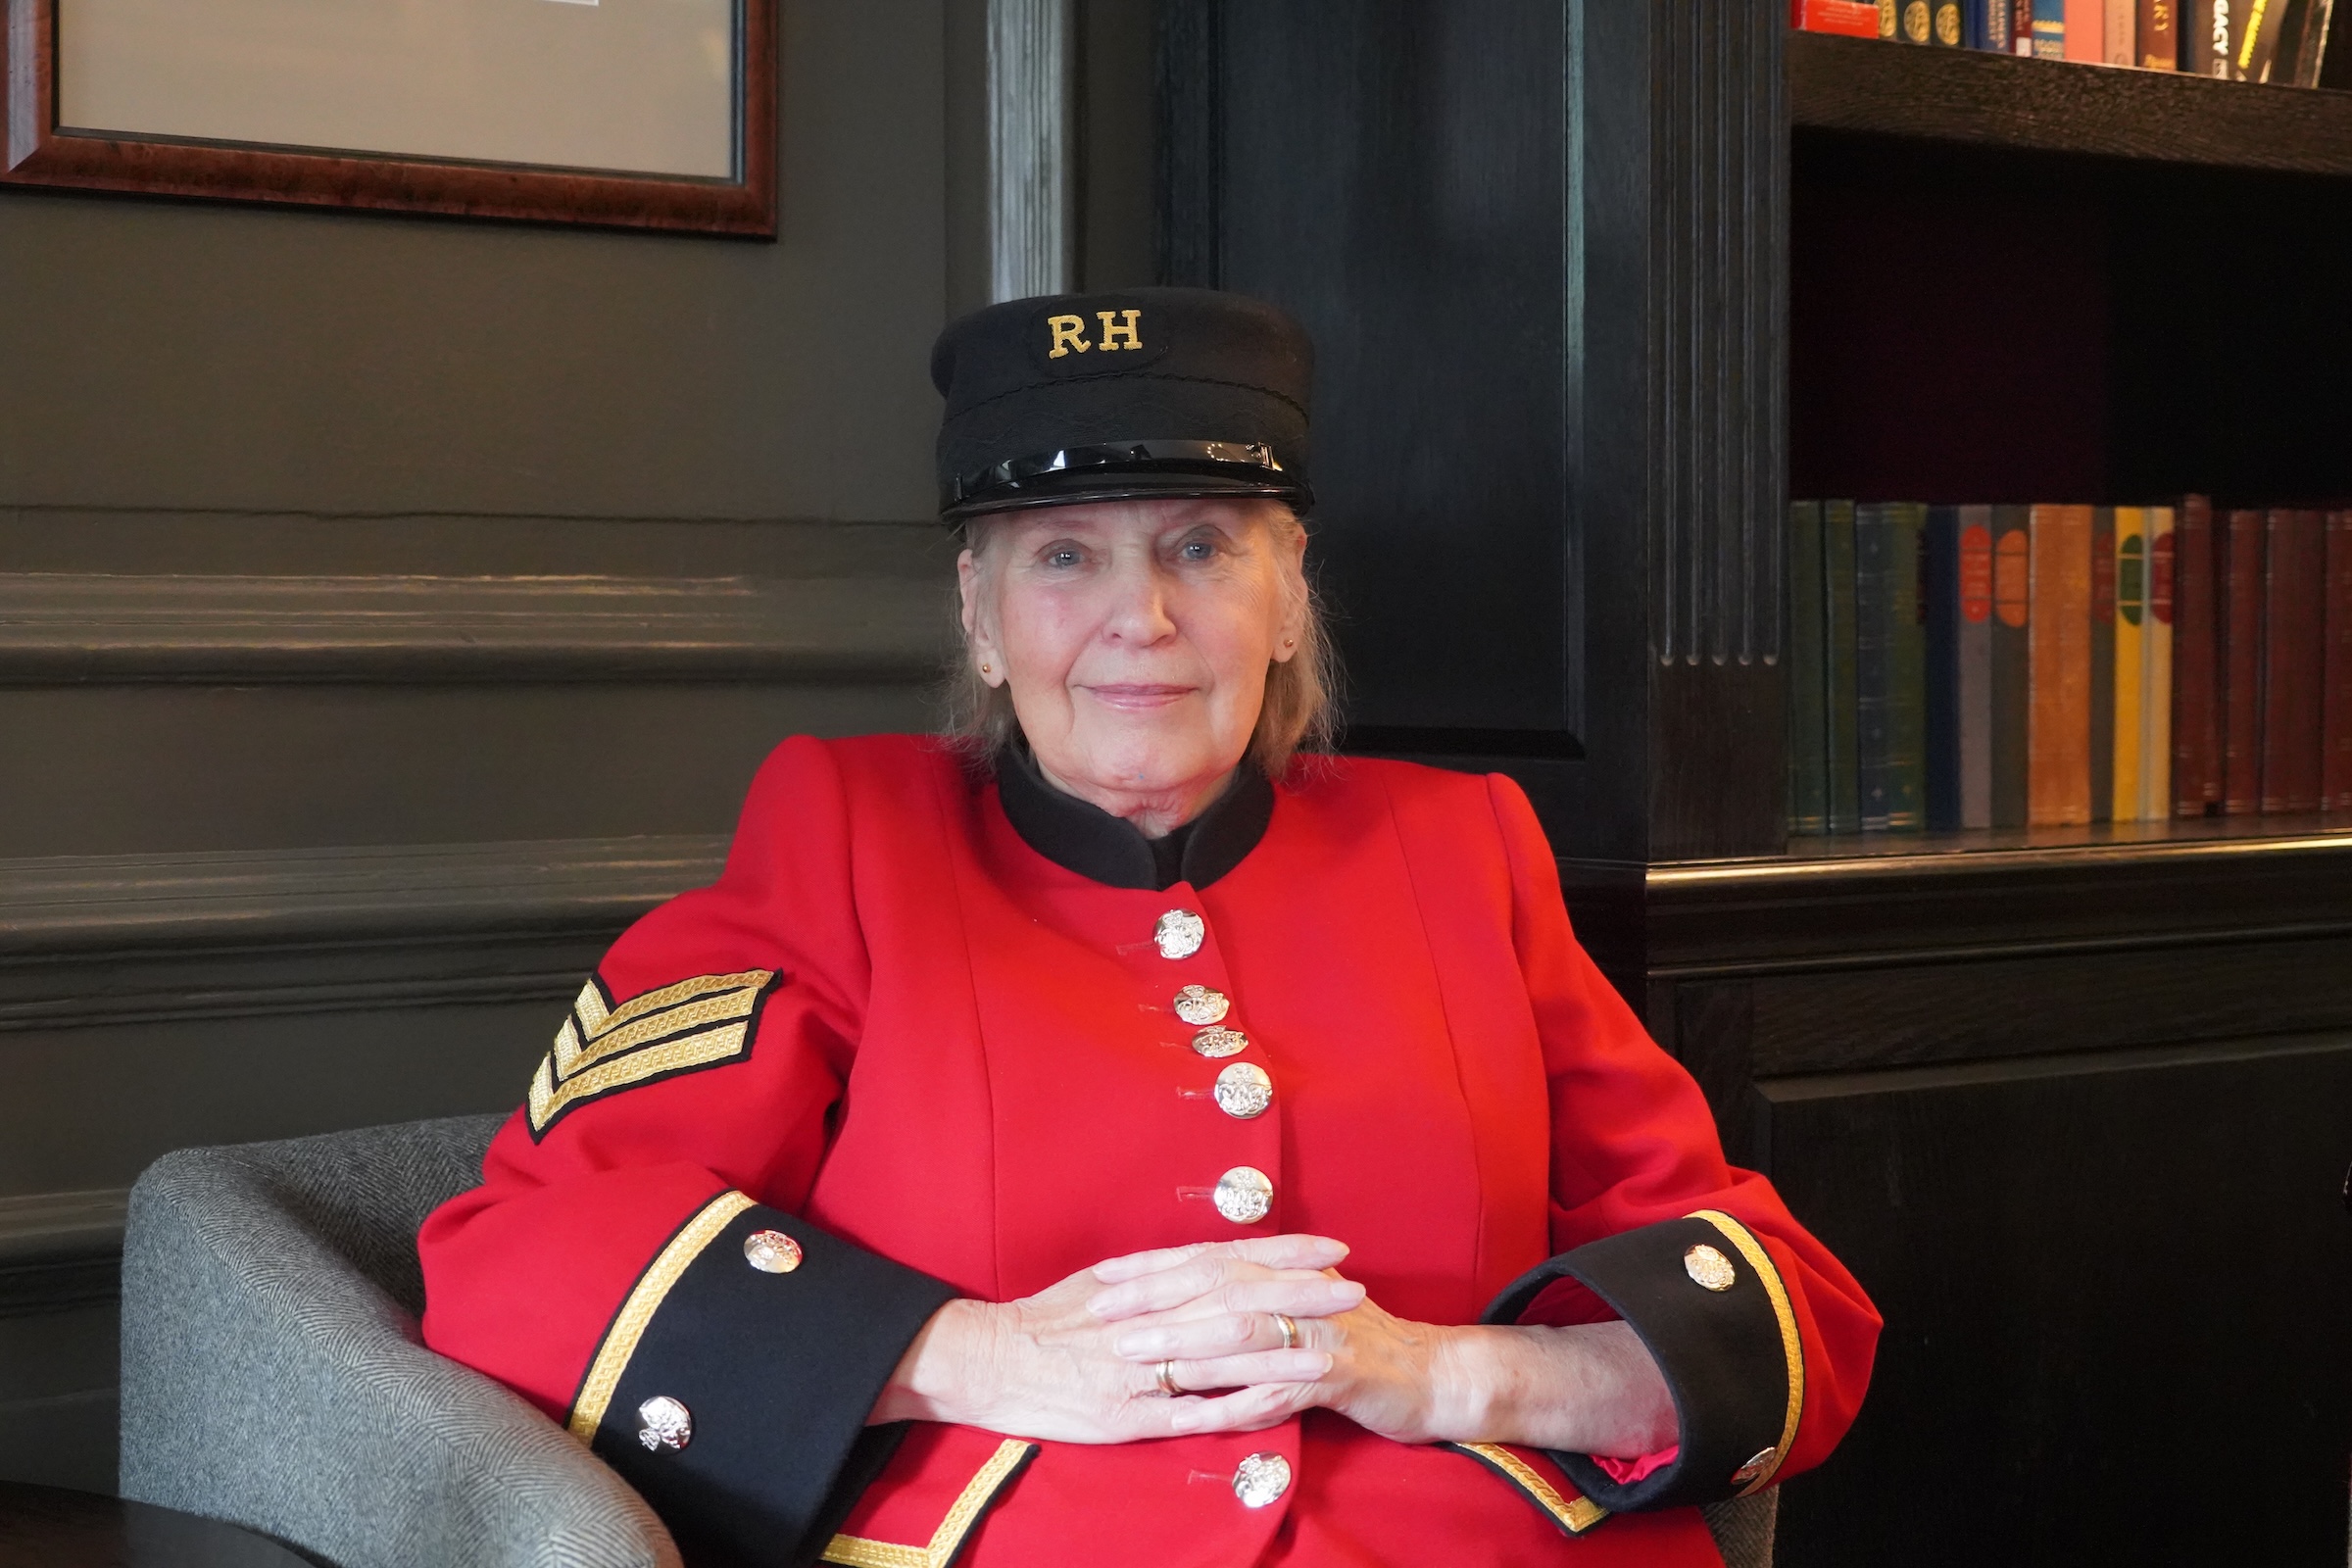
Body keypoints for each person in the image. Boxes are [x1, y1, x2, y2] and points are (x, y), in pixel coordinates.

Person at [418, 288, 1879, 1568]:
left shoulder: (1460, 846)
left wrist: (1437, 1376)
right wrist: (970, 1355)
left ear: (1288, 595)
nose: (1142, 618)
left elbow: (1785, 1315)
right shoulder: (845, 839)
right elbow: (529, 1254)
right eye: (1064, 557)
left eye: (1200, 547)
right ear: (980, 616)